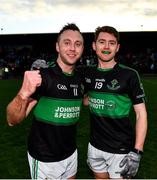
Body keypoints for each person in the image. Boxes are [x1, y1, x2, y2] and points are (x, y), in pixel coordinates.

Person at [6, 23, 84, 179]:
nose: (72, 48)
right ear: (57, 46)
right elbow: (12, 120)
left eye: (78, 44)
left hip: (70, 153)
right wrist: (23, 93)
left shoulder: (80, 77)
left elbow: (83, 99)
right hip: (45, 159)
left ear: (82, 48)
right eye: (66, 43)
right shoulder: (43, 76)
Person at [83, 26, 147, 179]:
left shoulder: (129, 75)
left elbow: (141, 115)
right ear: (94, 45)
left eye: (111, 43)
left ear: (117, 47)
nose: (106, 47)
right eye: (102, 42)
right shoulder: (86, 72)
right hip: (94, 146)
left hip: (121, 149)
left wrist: (137, 151)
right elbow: (84, 99)